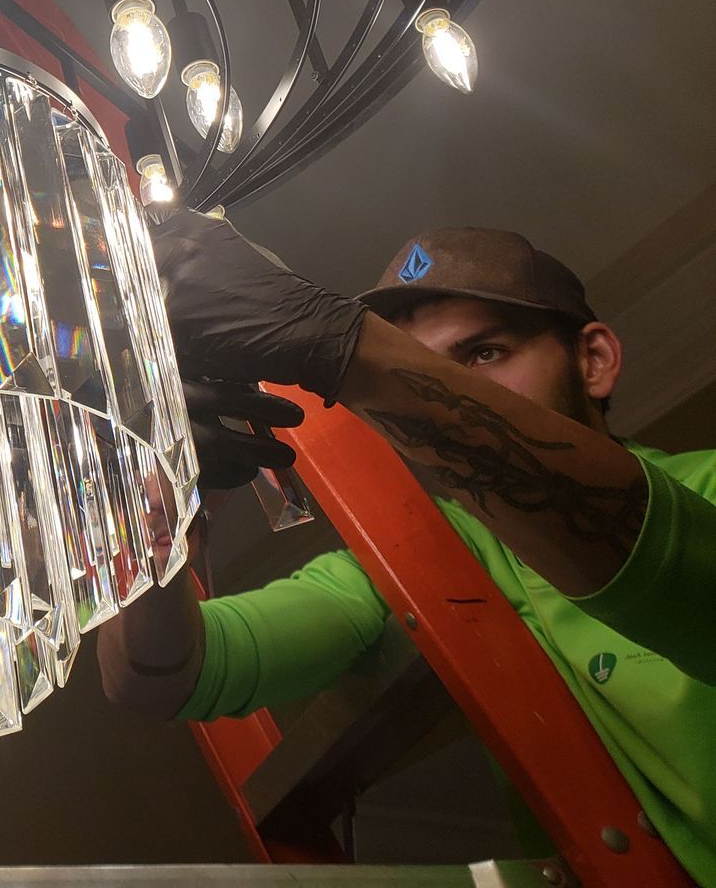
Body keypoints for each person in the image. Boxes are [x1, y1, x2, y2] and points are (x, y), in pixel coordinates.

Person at [101, 214, 715, 883]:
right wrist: (159, 505)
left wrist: (343, 348)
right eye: (423, 365)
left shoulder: (706, 484)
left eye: (485, 354)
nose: (452, 390)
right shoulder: (420, 557)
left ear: (593, 360)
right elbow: (160, 677)